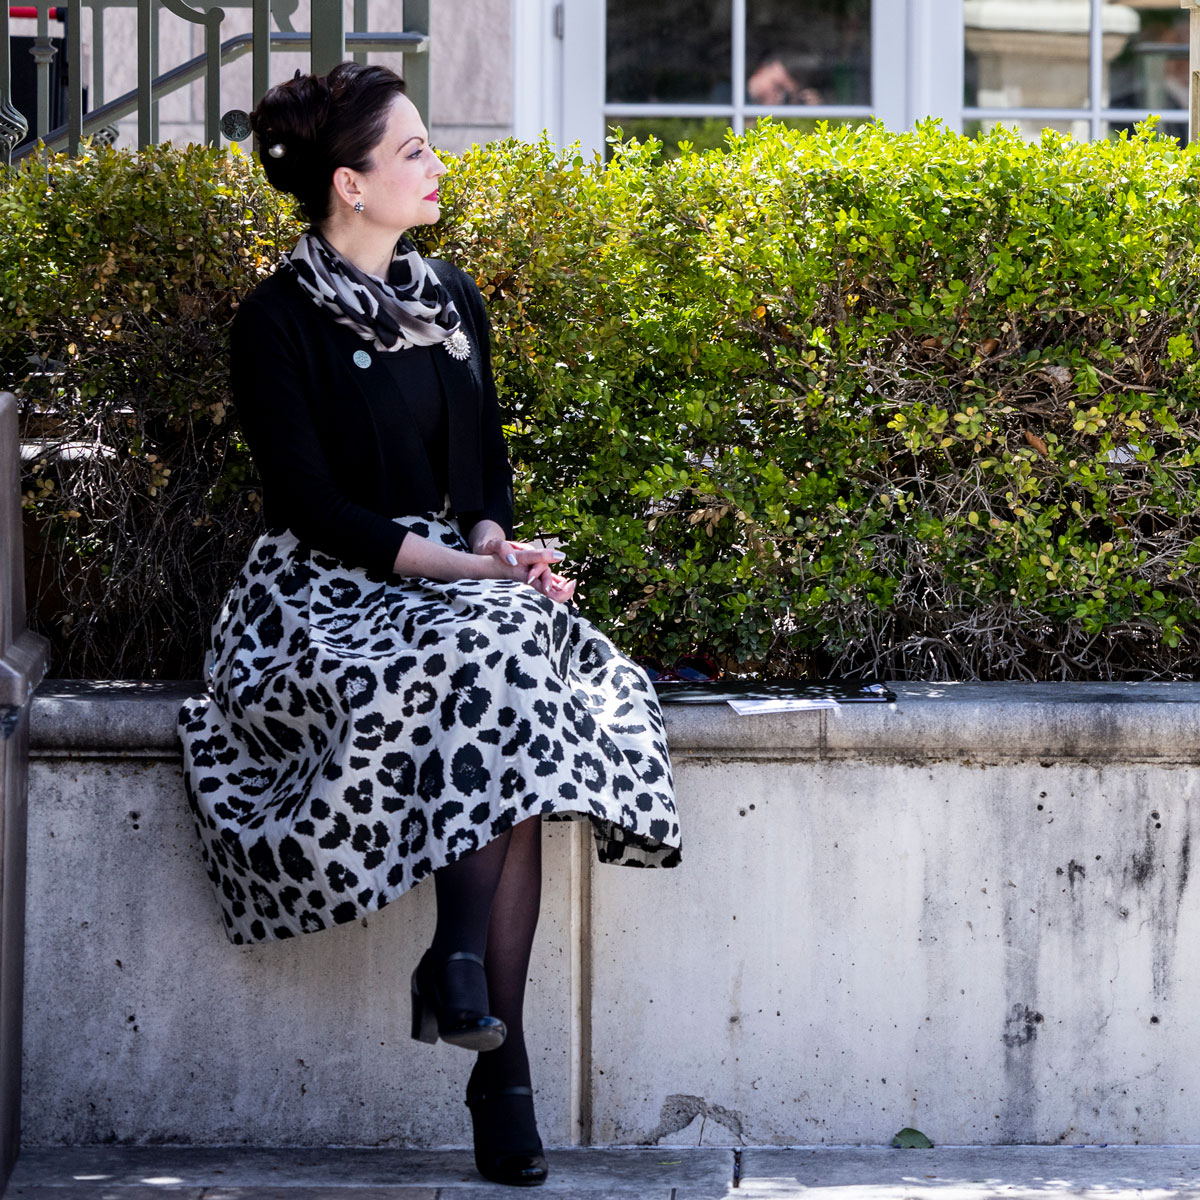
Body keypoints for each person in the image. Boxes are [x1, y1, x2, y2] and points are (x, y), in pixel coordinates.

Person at [177, 63, 680, 1188]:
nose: (436, 164)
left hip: (450, 585)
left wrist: (501, 551)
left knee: (502, 661)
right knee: (489, 657)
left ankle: (466, 987)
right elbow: (311, 507)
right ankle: (494, 1060)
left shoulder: (450, 296)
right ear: (349, 185)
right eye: (412, 151)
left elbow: (484, 472)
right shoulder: (275, 322)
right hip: (324, 591)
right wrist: (468, 573)